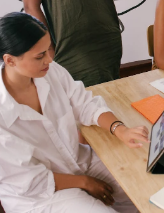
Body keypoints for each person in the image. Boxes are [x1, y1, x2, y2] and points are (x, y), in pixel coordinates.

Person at [0, 12, 149, 213]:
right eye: (40, 56)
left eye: (48, 50)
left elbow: (84, 103)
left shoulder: (48, 71)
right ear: (9, 61)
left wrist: (120, 129)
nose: (50, 60)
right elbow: (29, 180)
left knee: (145, 187)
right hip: (38, 195)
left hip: (78, 161)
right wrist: (84, 182)